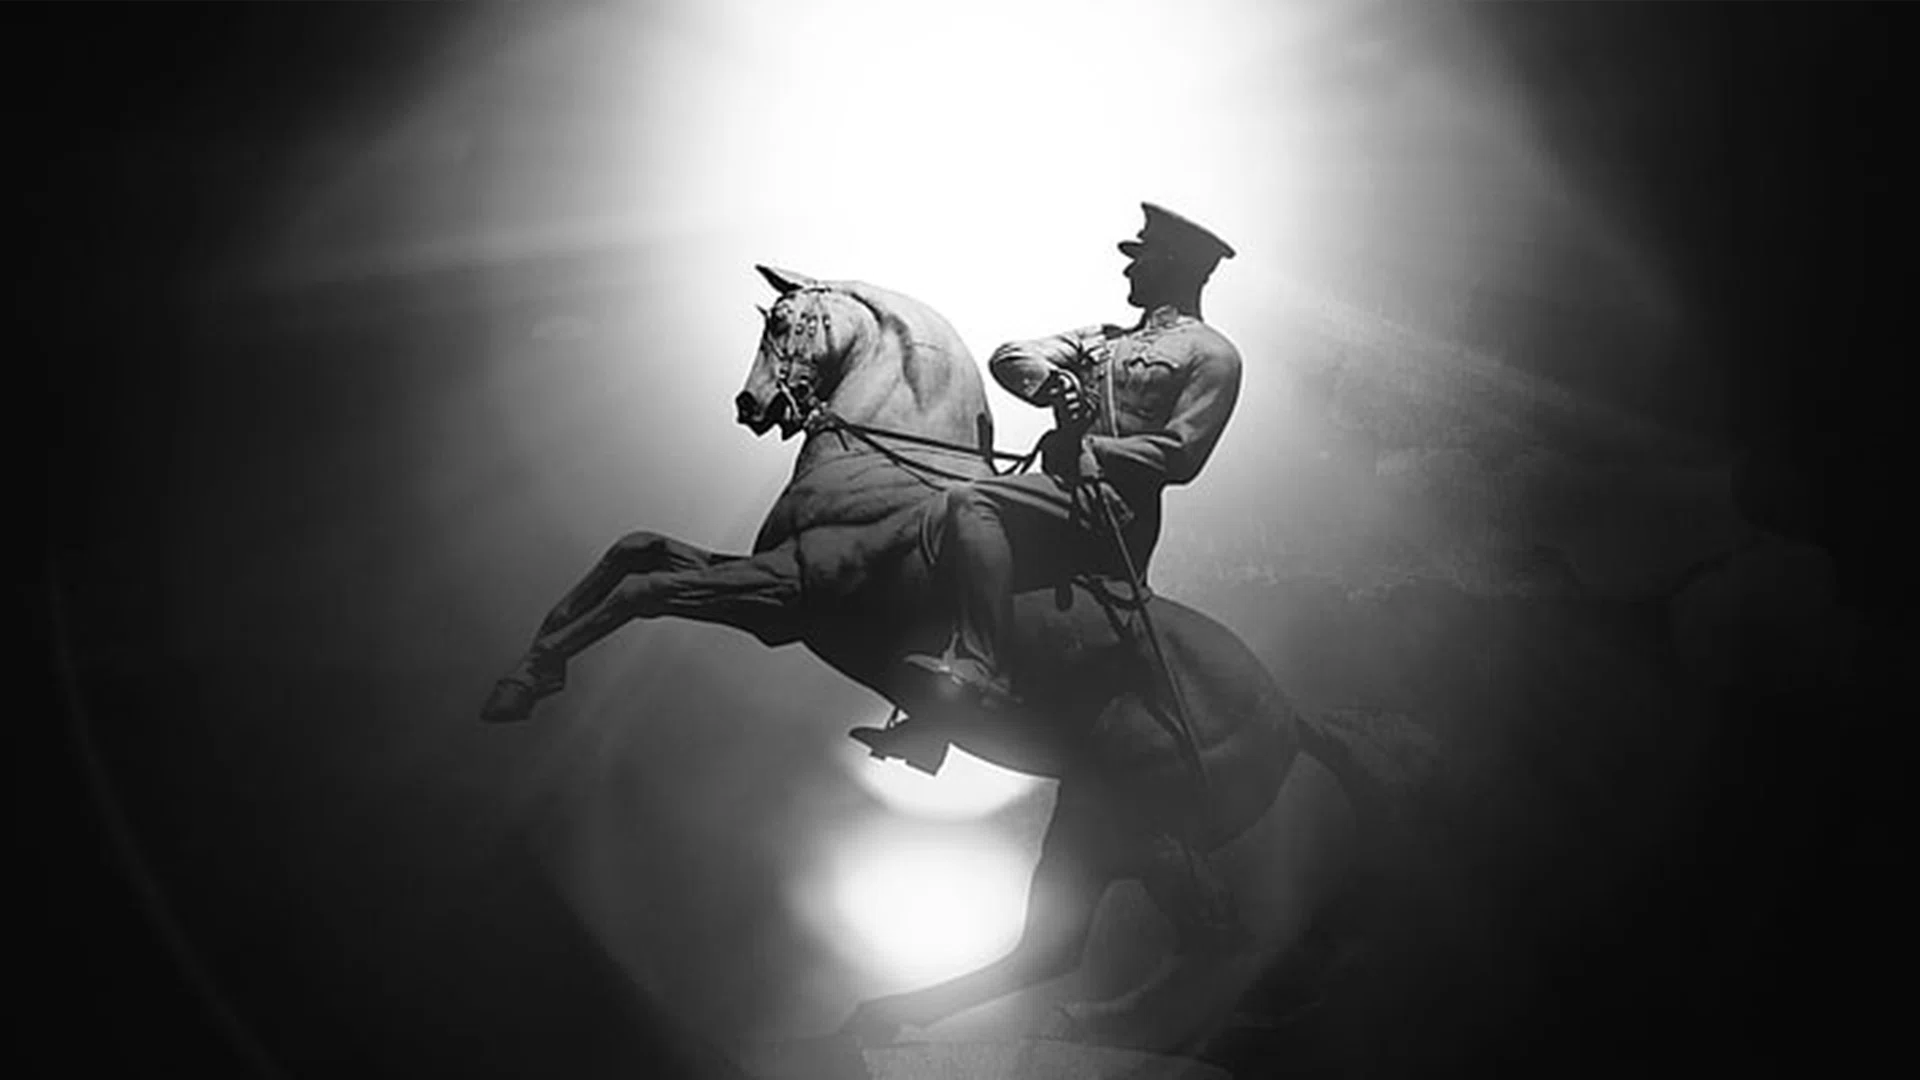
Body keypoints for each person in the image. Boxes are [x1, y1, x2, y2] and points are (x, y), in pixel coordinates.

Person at [852, 202, 1243, 766]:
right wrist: (1054, 381)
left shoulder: (1212, 355)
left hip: (1115, 509)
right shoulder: (1100, 340)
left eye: (1143, 258)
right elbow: (1011, 356)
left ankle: (976, 669)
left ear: (1175, 265)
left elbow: (1182, 454)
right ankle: (934, 722)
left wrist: (1095, 450)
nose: (1130, 269)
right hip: (1061, 495)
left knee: (973, 502)